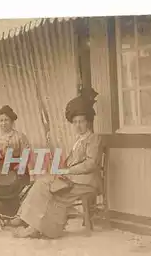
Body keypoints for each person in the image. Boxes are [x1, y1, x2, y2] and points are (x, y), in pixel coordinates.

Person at [13, 88, 103, 239]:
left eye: (81, 121)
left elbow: (91, 164)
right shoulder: (78, 140)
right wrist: (62, 171)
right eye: (75, 122)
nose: (78, 125)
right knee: (42, 183)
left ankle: (40, 227)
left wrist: (67, 172)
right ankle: (32, 223)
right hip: (74, 179)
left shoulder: (93, 139)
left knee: (52, 193)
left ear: (88, 122)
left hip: (87, 181)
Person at [0, 105, 33, 221]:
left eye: (6, 120)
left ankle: (19, 216)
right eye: (1, 120)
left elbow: (26, 153)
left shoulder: (19, 136)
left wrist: (20, 168)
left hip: (15, 167)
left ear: (12, 121)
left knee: (19, 185)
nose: (3, 123)